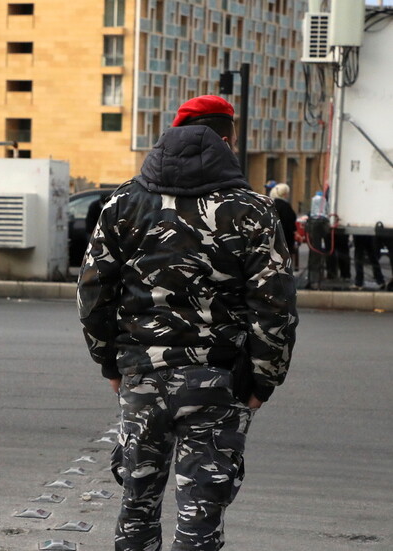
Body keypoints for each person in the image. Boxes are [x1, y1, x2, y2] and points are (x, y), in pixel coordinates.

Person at [77, 95, 298, 551]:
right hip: (220, 380)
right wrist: (262, 382)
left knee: (136, 505)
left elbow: (93, 291)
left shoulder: (122, 203)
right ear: (226, 140)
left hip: (142, 374)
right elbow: (274, 306)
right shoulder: (254, 209)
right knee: (202, 513)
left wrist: (112, 365)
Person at [269, 183, 297, 258]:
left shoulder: (270, 204)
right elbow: (290, 223)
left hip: (271, 237)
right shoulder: (285, 206)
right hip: (284, 238)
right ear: (284, 194)